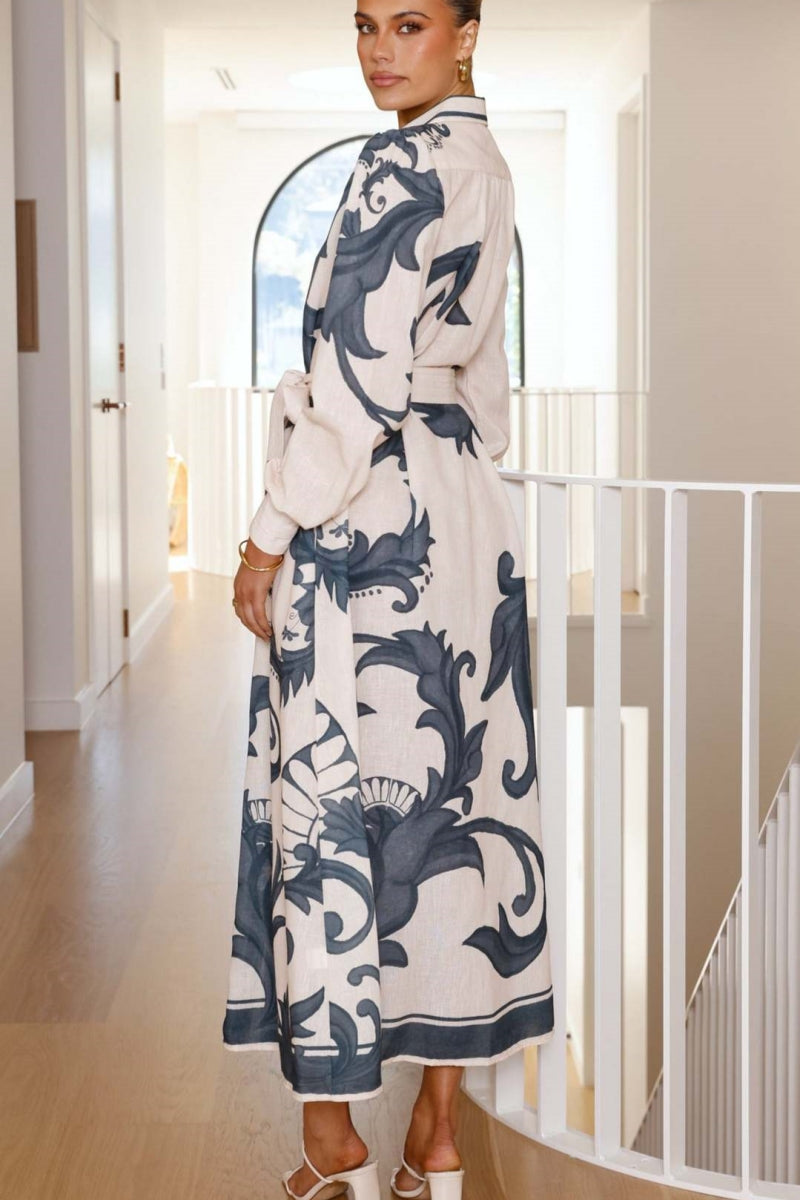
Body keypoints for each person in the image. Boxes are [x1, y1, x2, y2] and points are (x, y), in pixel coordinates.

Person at [222, 2, 555, 1197]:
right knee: (455, 789)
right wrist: (462, 454)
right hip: (464, 508)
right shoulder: (487, 163)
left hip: (371, 519)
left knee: (332, 800)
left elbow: (352, 386)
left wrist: (266, 536)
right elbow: (484, 369)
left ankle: (334, 1141)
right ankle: (438, 1134)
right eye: (364, 24)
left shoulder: (397, 164)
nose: (376, 49)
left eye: (408, 24)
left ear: (466, 34)